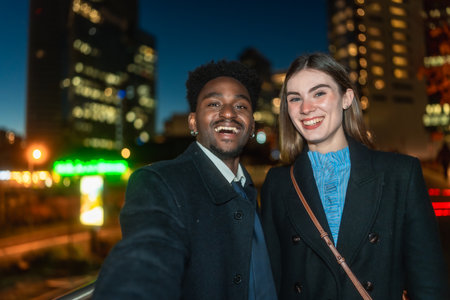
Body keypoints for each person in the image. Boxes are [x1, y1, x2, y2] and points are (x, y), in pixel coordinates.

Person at [260, 53, 449, 299]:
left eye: (319, 93)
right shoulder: (278, 183)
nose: (306, 108)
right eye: (295, 99)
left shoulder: (400, 174)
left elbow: (428, 281)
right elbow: (272, 278)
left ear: (346, 98)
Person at [93, 60, 277, 300]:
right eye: (214, 103)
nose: (229, 113)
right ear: (193, 122)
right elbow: (146, 255)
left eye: (241, 106)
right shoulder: (158, 182)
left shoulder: (248, 188)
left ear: (251, 125)